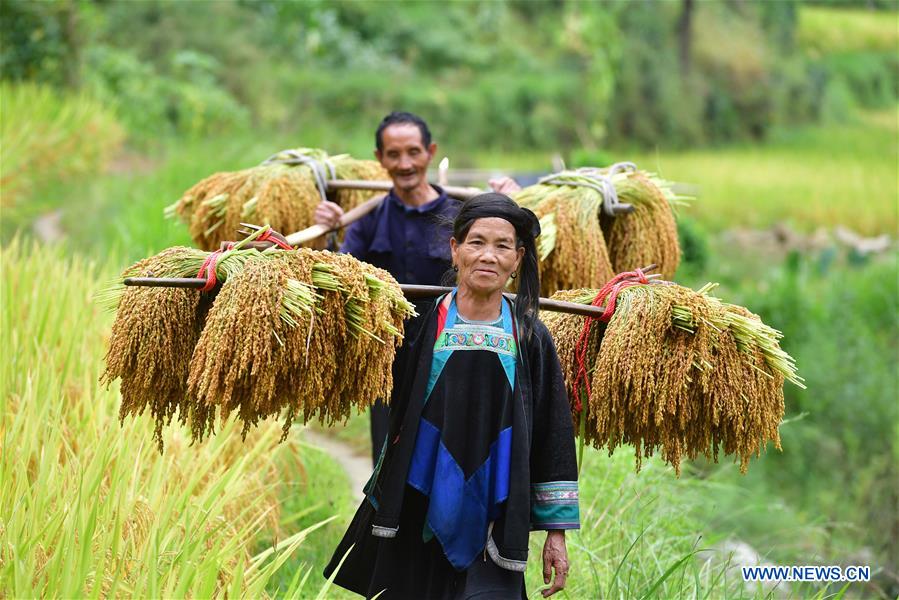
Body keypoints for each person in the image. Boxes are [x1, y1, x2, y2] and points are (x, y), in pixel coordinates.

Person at [323, 193, 578, 599]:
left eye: (502, 246)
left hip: (495, 512)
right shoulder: (416, 326)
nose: (488, 256)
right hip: (415, 504)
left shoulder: (530, 337)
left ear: (518, 258)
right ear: (455, 250)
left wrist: (556, 533)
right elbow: (341, 344)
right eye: (476, 242)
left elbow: (553, 433)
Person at [312, 111, 520, 465]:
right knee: (390, 458)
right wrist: (323, 231)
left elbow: (508, 256)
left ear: (430, 152)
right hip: (389, 359)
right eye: (393, 155)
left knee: (453, 454)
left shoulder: (463, 217)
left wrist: (510, 204)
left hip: (455, 352)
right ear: (380, 159)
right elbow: (336, 276)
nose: (405, 164)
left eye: (413, 152)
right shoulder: (366, 221)